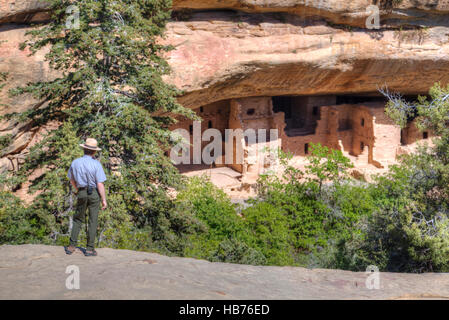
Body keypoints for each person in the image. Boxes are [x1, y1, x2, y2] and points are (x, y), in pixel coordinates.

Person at [65, 138, 107, 256]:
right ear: (94, 152)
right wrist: (104, 200)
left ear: (84, 149)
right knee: (93, 221)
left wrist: (78, 190)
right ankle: (89, 249)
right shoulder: (96, 164)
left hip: (82, 192)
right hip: (94, 193)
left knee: (78, 218)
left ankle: (71, 246)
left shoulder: (75, 162)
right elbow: (100, 184)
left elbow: (72, 180)